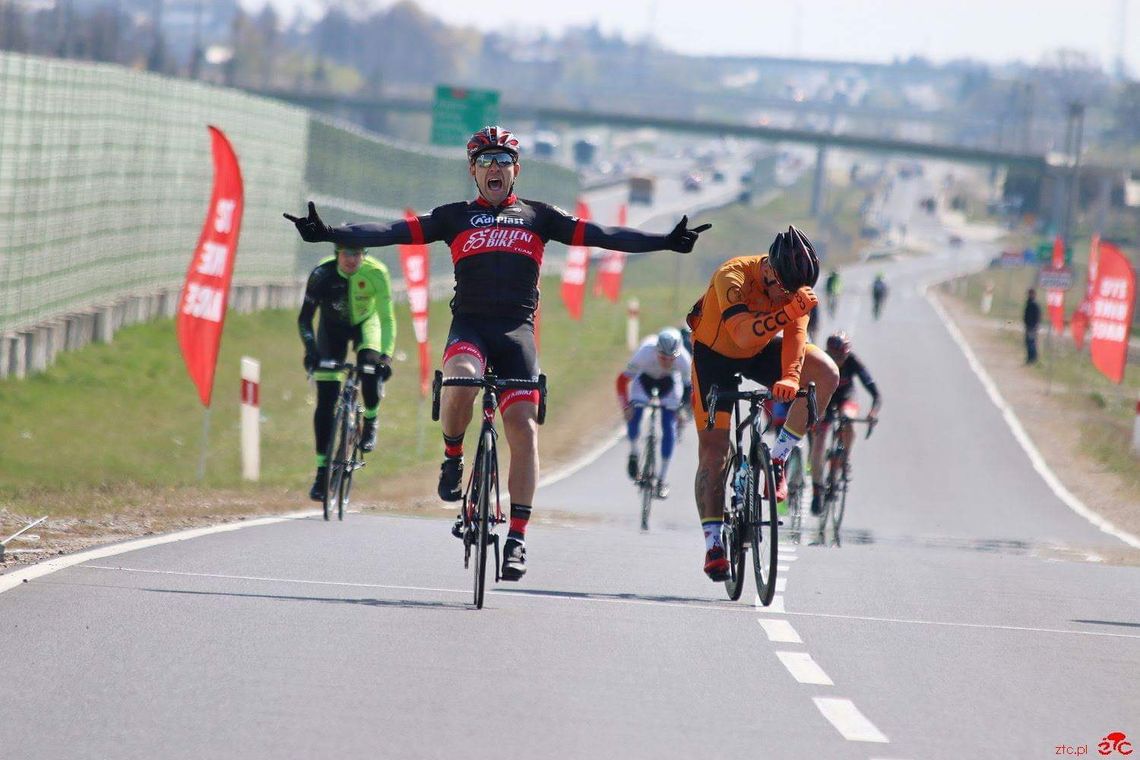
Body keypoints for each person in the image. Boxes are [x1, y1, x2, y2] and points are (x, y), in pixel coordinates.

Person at [286, 125, 711, 580]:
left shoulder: (538, 216)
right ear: (473, 170)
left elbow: (602, 235)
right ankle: (453, 458)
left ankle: (517, 539)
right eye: (485, 161)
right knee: (462, 378)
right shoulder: (455, 217)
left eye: (503, 161)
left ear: (516, 170)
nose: (495, 169)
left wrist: (663, 240)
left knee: (524, 431)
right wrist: (330, 231)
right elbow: (391, 231)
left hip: (516, 335)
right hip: (470, 327)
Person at [687, 226, 839, 580]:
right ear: (769, 269)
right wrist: (787, 313)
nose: (788, 297)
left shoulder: (793, 288)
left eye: (794, 293)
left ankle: (779, 456)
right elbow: (740, 335)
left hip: (761, 349)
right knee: (714, 452)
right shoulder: (732, 275)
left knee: (827, 374)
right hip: (716, 355)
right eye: (783, 290)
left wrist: (790, 376)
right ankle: (712, 543)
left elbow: (796, 336)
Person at [297, 244, 395, 501]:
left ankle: (371, 419)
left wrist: (386, 355)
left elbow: (386, 318)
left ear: (365, 255)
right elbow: (305, 318)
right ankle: (321, 473)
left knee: (370, 370)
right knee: (326, 399)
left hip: (366, 324)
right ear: (336, 254)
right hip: (332, 329)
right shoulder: (322, 274)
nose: (351, 260)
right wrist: (310, 351)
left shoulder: (377, 272)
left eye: (357, 254)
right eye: (346, 254)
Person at [807, 332, 881, 516]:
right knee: (818, 446)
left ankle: (844, 457)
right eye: (835, 357)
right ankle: (817, 491)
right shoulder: (819, 360)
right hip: (825, 399)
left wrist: (872, 412)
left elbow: (875, 393)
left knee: (849, 420)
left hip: (846, 399)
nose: (839, 361)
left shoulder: (853, 361)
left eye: (842, 357)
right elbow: (806, 389)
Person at [617, 327, 693, 499]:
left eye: (670, 358)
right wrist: (625, 406)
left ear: (677, 354)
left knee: (669, 426)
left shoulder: (684, 360)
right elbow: (622, 381)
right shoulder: (645, 352)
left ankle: (662, 479)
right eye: (662, 357)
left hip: (670, 384)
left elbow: (689, 389)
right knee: (634, 415)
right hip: (644, 381)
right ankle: (634, 453)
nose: (666, 362)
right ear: (655, 351)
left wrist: (682, 410)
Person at [1023, 288, 1041, 364]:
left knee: (1031, 343)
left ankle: (1032, 359)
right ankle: (1030, 358)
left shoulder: (1034, 304)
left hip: (1032, 327)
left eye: (1030, 294)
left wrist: (1034, 326)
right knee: (1028, 342)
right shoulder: (1029, 303)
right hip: (1028, 326)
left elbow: (1037, 317)